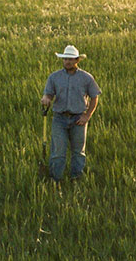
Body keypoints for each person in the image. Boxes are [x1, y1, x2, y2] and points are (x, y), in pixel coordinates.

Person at [40, 44, 101, 181]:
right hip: (59, 119)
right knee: (58, 152)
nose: (67, 61)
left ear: (77, 60)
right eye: (65, 59)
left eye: (71, 59)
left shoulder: (86, 78)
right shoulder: (54, 77)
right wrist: (46, 99)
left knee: (78, 152)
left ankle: (76, 178)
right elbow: (48, 94)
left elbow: (94, 97)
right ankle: (55, 180)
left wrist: (87, 116)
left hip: (78, 119)